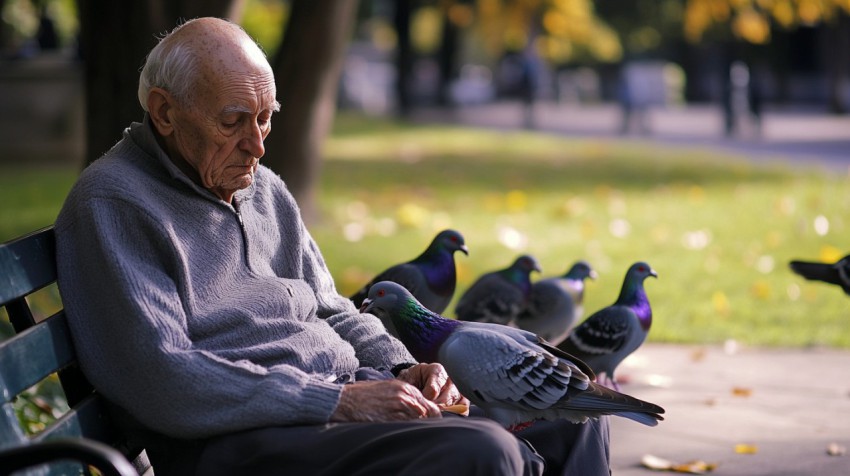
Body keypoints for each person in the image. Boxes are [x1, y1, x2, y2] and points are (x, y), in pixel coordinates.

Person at [55, 17, 610, 476]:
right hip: (237, 443)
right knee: (484, 453)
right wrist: (339, 403)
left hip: (330, 409)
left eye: (267, 119)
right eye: (233, 122)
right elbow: (163, 376)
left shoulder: (262, 190)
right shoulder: (115, 204)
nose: (255, 144)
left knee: (576, 418)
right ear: (165, 111)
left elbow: (334, 310)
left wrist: (399, 368)